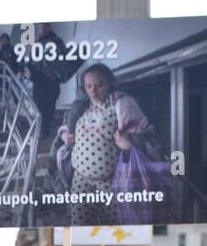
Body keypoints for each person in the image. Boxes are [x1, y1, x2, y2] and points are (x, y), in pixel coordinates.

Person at [59, 63, 159, 226]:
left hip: (110, 182)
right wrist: (64, 135)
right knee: (80, 226)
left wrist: (129, 143)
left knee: (111, 229)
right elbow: (64, 127)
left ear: (109, 83)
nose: (94, 90)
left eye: (100, 85)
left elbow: (149, 136)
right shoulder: (80, 107)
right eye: (89, 86)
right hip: (80, 179)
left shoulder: (122, 105)